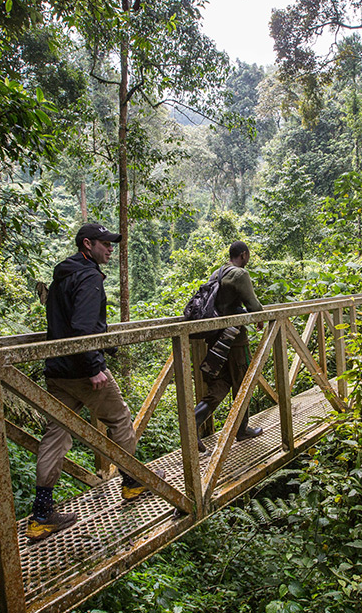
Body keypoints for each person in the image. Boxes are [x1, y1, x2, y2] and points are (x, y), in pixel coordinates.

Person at [27, 223, 162, 544]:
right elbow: (82, 327)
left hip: (57, 371)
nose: (111, 249)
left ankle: (42, 514)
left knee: (56, 433)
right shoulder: (88, 277)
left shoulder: (63, 274)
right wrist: (95, 365)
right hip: (82, 370)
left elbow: (66, 322)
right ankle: (130, 481)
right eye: (105, 244)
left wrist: (105, 345)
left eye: (112, 244)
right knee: (119, 418)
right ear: (87, 244)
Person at [194, 240, 264, 452]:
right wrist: (260, 318)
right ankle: (241, 430)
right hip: (235, 340)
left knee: (222, 383)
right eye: (248, 256)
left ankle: (193, 423)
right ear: (243, 255)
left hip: (216, 340)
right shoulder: (239, 274)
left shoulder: (217, 272)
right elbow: (253, 305)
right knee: (243, 382)